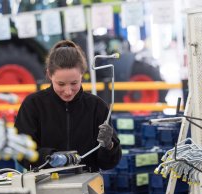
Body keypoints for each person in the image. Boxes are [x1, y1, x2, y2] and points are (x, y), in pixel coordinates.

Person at [14, 40, 121, 172]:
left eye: (74, 83)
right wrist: (50, 157)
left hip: (87, 185)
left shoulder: (97, 107)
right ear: (49, 74)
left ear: (82, 74)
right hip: (45, 185)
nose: (68, 91)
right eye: (61, 84)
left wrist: (109, 146)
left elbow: (108, 164)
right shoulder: (33, 105)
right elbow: (21, 151)